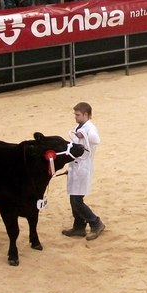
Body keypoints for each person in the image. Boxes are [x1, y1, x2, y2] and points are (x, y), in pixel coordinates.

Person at [62, 102, 105, 241]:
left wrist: (83, 135)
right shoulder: (79, 126)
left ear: (86, 115)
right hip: (76, 165)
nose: (75, 117)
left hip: (83, 166)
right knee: (73, 198)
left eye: (78, 115)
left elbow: (95, 139)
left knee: (77, 200)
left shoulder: (90, 128)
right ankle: (79, 226)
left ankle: (95, 222)